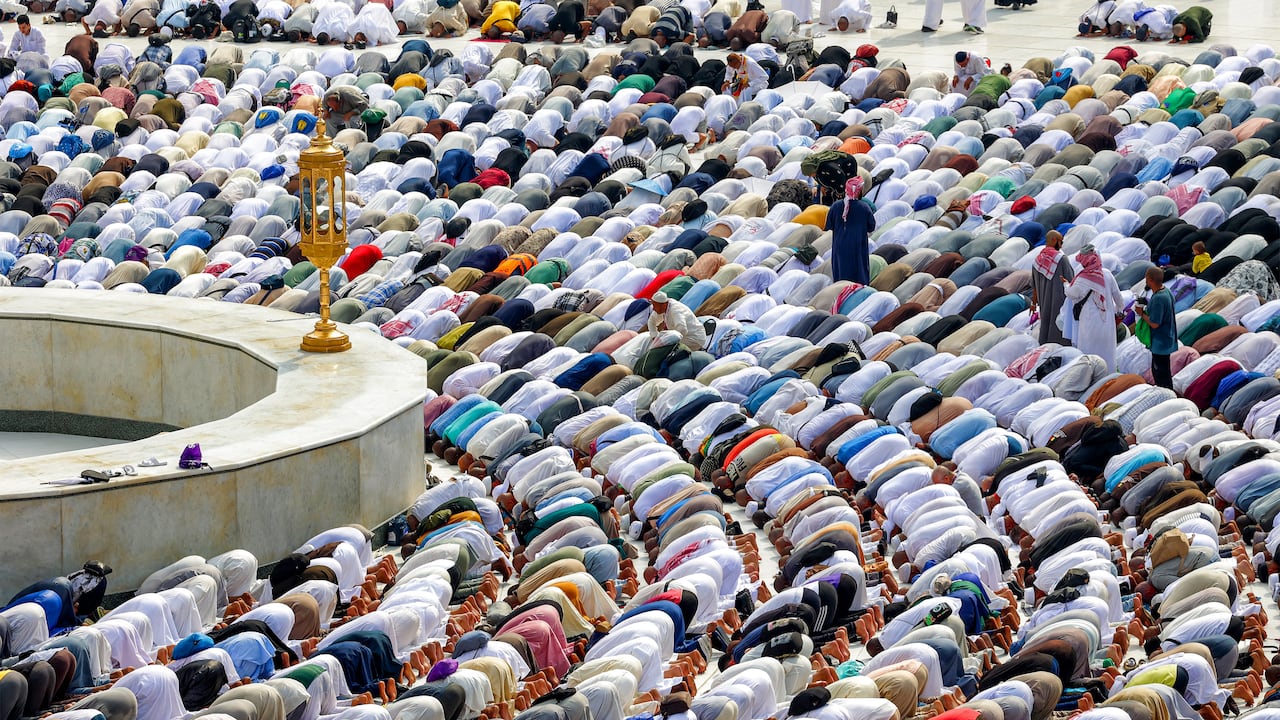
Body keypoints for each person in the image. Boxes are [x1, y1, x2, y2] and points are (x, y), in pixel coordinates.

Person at [1063, 244, 1124, 371]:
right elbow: (1118, 297)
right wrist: (1119, 311)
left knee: (1090, 355)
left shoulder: (1081, 279)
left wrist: (1066, 284)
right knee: (1107, 352)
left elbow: (1071, 293)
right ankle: (1108, 376)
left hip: (1089, 324)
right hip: (1107, 322)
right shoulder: (1107, 274)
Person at [826, 177, 874, 285]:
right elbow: (871, 227)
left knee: (841, 275)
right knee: (859, 275)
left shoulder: (835, 206)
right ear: (859, 191)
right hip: (858, 247)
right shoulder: (864, 207)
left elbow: (830, 225)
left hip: (840, 246)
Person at [1030, 229, 1074, 345]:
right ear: (1054, 240)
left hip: (1044, 303)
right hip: (1059, 303)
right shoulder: (1061, 259)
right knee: (1059, 334)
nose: (1061, 245)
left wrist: (1034, 303)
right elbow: (1071, 282)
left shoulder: (1038, 260)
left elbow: (1034, 286)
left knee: (1045, 330)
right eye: (1061, 242)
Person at [1136, 267, 1177, 390]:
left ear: (1150, 280)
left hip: (1160, 343)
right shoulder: (1166, 292)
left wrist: (1141, 313)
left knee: (1161, 374)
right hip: (1167, 338)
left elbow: (1155, 324)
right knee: (1164, 371)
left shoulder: (1159, 298)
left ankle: (1165, 394)